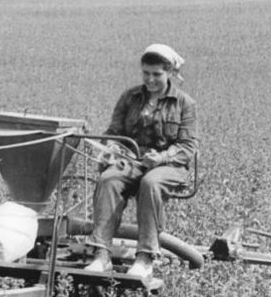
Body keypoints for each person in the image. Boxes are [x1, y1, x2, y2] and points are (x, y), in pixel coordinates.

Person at [84, 44, 198, 278]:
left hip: (170, 166)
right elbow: (114, 130)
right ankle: (101, 254)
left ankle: (145, 257)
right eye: (146, 73)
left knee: (151, 183)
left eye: (157, 74)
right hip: (133, 160)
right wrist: (112, 146)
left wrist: (162, 157)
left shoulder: (184, 104)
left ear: (170, 73)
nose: (150, 79)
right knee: (109, 179)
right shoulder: (130, 97)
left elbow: (188, 147)